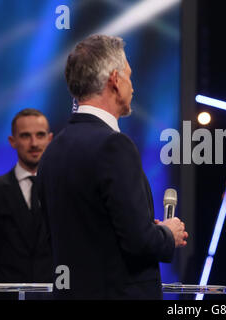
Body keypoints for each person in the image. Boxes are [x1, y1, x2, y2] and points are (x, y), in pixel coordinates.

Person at [37, 34, 188, 299]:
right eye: (129, 76)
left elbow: (83, 232)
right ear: (115, 81)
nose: (133, 87)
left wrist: (143, 227)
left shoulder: (53, 150)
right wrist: (167, 233)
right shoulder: (114, 146)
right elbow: (139, 242)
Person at [0, 108, 53, 299]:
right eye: (26, 136)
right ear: (13, 141)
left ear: (50, 139)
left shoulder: (64, 191)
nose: (34, 143)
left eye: (40, 135)